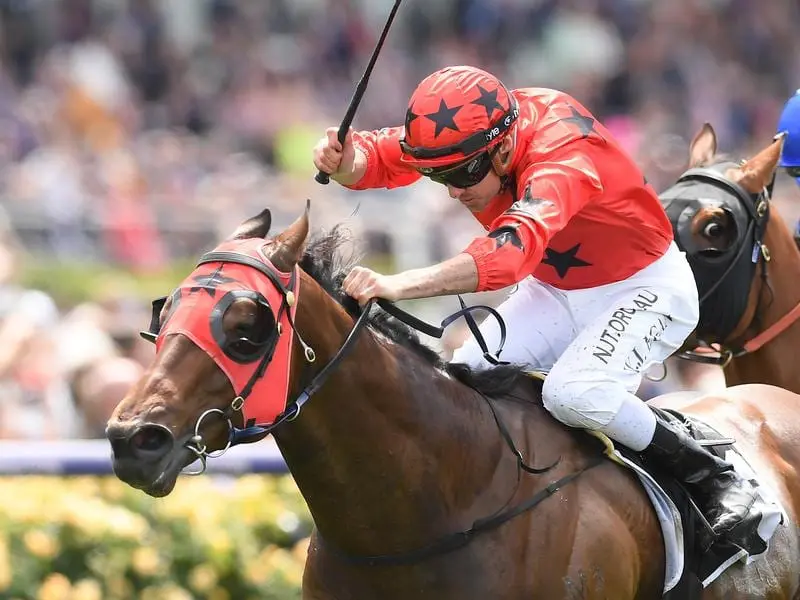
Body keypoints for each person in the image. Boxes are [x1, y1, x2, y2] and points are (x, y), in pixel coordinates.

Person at [313, 65, 758, 541]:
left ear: (504, 148)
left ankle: (714, 474)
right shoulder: (469, 126)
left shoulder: (562, 152)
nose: (454, 190)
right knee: (462, 384)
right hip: (556, 291)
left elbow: (508, 256)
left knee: (574, 395)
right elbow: (379, 155)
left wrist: (399, 284)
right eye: (437, 174)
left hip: (644, 289)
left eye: (463, 173)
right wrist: (343, 160)